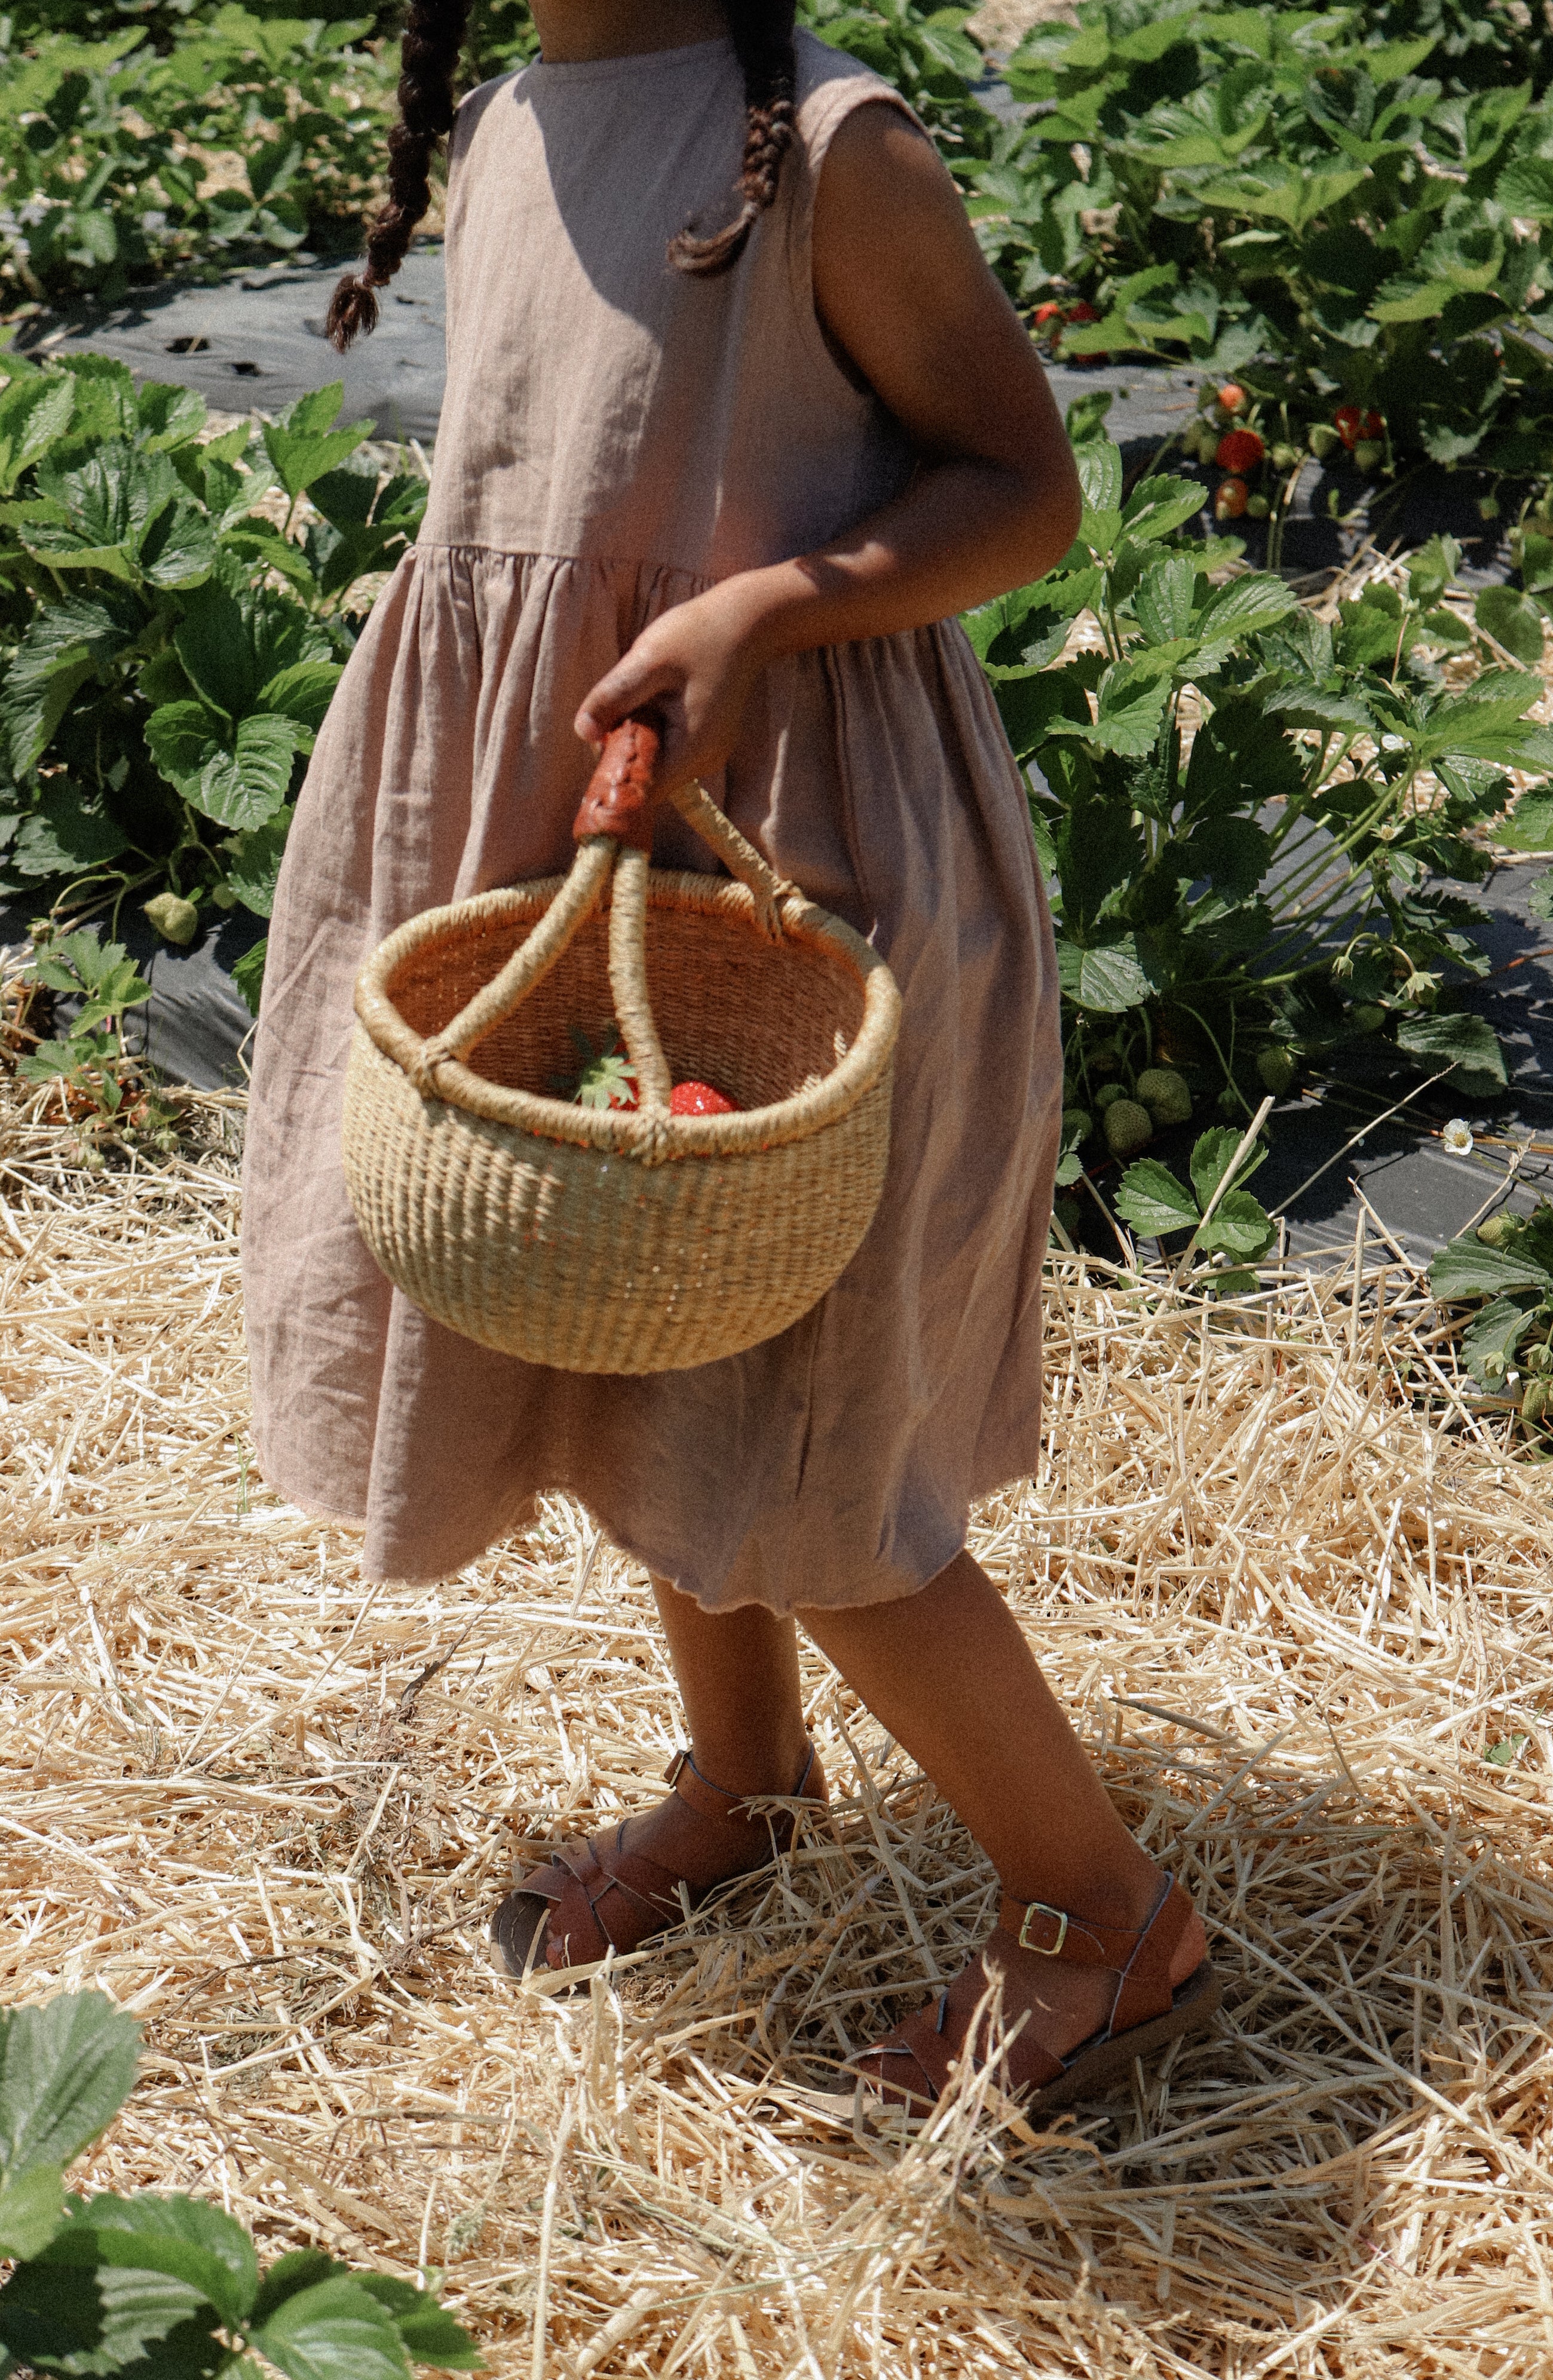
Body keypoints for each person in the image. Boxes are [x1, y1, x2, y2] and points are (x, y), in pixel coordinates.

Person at [241, 0, 1219, 2120]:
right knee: (625, 1327)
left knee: (809, 1428)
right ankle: (751, 1781)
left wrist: (765, 610)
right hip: (562, 809)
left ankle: (1099, 1912)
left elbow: (1025, 487)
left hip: (798, 856)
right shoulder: (521, 116)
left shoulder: (829, 152)